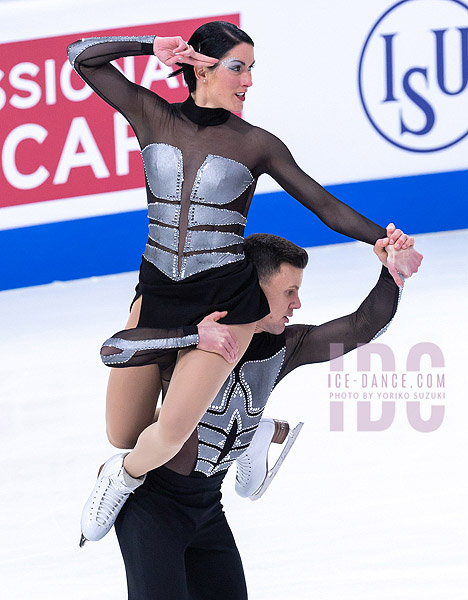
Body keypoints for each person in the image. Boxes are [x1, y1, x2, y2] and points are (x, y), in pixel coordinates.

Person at [67, 21, 422, 545]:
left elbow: (323, 204)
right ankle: (253, 428)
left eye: (252, 69)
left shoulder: (256, 144)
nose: (248, 81)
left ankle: (119, 477)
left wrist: (385, 244)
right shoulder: (151, 113)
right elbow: (82, 57)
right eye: (238, 67)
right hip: (156, 296)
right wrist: (150, 46)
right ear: (200, 67)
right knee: (124, 432)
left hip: (223, 304)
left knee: (163, 440)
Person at [109, 231, 415, 599]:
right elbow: (121, 352)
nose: (297, 304)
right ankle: (244, 436)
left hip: (208, 509)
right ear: (253, 288)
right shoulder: (199, 336)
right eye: (289, 292)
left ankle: (251, 432)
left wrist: (392, 276)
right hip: (151, 509)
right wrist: (185, 335)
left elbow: (359, 327)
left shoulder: (284, 347)